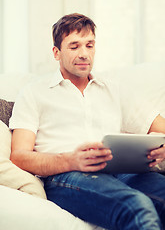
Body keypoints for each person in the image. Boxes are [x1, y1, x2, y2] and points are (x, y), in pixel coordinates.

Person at [10, 13, 165, 230]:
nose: (84, 54)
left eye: (89, 45)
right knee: (137, 205)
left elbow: (161, 128)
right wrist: (70, 161)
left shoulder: (114, 89)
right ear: (56, 52)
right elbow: (18, 156)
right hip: (66, 176)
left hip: (120, 172)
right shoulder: (35, 93)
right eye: (74, 46)